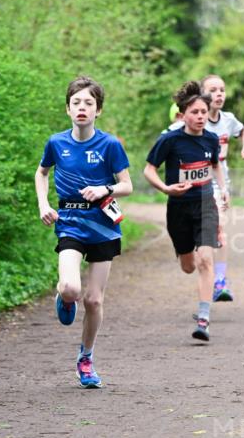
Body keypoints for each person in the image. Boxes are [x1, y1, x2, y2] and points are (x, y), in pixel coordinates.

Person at [35, 76, 132, 388]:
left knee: (93, 301)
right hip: (70, 222)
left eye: (88, 103)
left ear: (98, 110)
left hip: (103, 226)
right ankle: (63, 297)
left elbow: (127, 185)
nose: (82, 108)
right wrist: (43, 204)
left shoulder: (110, 145)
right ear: (67, 109)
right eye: (76, 102)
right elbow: (41, 173)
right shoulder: (56, 143)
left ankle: (86, 358)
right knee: (72, 290)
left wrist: (105, 187)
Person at [144, 80, 227, 342]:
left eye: (204, 112)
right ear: (183, 115)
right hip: (178, 207)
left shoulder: (212, 140)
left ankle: (203, 319)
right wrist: (166, 189)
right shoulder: (169, 140)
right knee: (188, 266)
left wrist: (222, 191)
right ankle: (183, 250)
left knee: (206, 260)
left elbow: (215, 166)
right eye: (195, 112)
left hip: (205, 204)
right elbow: (149, 170)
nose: (201, 117)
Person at [201, 74, 244, 302]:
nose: (219, 94)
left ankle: (220, 280)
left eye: (222, 89)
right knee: (206, 235)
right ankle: (209, 274)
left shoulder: (228, 119)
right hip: (198, 183)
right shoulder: (197, 120)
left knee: (220, 229)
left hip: (221, 183)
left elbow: (243, 131)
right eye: (213, 90)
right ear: (203, 94)